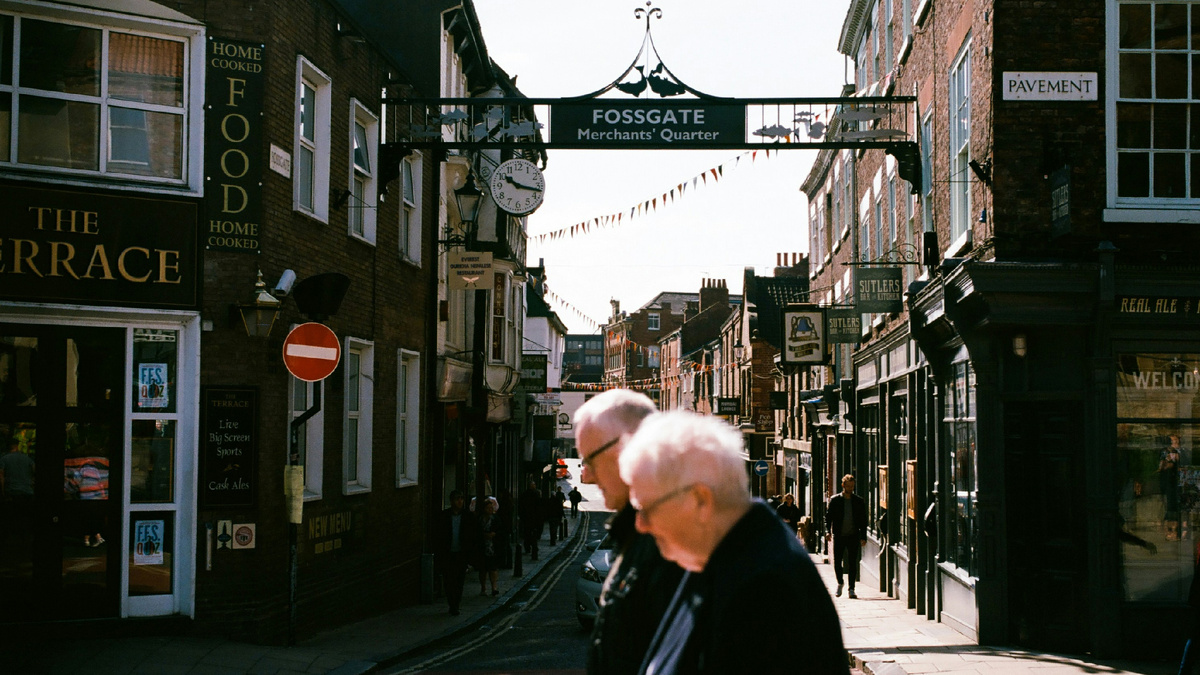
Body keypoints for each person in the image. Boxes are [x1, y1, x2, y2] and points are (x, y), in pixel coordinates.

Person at [619, 410, 847, 675]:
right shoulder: (713, 557)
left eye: (646, 508)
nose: (640, 524)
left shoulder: (766, 595)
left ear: (701, 501)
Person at [575, 389, 685, 675]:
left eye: (589, 459)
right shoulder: (638, 532)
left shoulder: (678, 548)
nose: (585, 475)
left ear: (626, 449)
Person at [827, 474, 868, 599]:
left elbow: (863, 520)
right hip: (839, 535)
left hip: (853, 535)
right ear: (843, 485)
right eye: (848, 486)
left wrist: (863, 536)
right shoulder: (835, 500)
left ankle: (851, 588)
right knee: (837, 561)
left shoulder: (858, 501)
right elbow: (828, 518)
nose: (850, 488)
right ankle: (840, 582)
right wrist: (827, 531)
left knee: (852, 563)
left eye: (852, 486)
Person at [435, 490, 476, 616]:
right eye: (457, 499)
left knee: (459, 581)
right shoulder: (444, 516)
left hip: (461, 554)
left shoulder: (468, 516)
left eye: (462, 499)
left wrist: (471, 557)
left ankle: (455, 605)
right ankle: (451, 603)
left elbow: (472, 537)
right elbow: (438, 536)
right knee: (448, 581)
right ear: (451, 501)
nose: (460, 501)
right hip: (448, 554)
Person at [476, 496, 501, 596]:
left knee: (493, 568)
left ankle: (494, 587)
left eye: (491, 508)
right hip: (482, 547)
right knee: (483, 569)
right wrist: (483, 535)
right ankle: (483, 588)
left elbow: (501, 531)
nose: (490, 510)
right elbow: (475, 532)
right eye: (488, 508)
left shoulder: (495, 519)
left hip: (493, 547)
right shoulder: (479, 520)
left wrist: (494, 534)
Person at [1162, 435, 1183, 541]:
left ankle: (1178, 531)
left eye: (1175, 440)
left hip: (1181, 482)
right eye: (1172, 441)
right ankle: (1171, 530)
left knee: (1180, 507)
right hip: (1170, 482)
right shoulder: (1166, 452)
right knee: (1171, 507)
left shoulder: (1183, 451)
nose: (1174, 442)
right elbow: (1162, 466)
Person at [518, 481, 544, 561]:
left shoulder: (524, 494)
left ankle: (527, 548)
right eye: (534, 485)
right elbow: (539, 508)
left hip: (526, 518)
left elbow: (520, 507)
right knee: (533, 535)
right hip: (533, 518)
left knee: (527, 533)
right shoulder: (536, 495)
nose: (535, 486)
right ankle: (533, 549)